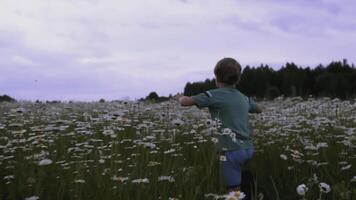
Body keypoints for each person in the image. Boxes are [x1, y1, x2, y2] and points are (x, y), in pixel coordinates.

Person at [173, 57, 262, 193]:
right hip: (248, 149)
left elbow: (185, 102)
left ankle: (239, 190)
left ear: (216, 77)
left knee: (232, 190)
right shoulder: (243, 97)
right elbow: (258, 108)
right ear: (237, 79)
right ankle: (248, 188)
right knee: (234, 170)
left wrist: (179, 97)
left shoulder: (213, 95)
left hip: (231, 151)